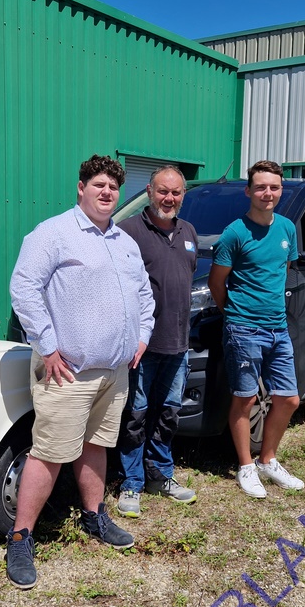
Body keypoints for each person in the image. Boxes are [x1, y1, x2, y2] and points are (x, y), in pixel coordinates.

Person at [6, 155, 155, 589]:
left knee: (97, 444)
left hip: (115, 370)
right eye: (98, 185)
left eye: (113, 187)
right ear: (81, 188)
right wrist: (47, 346)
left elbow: (144, 296)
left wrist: (141, 337)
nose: (107, 192)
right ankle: (20, 537)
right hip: (67, 372)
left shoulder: (123, 241)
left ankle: (94, 516)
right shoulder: (53, 233)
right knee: (50, 453)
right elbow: (24, 288)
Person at [207, 159, 305, 499]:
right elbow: (217, 282)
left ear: (281, 190)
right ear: (248, 191)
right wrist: (234, 314)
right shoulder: (235, 233)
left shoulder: (287, 229)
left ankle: (268, 460)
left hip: (278, 327)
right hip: (244, 329)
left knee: (289, 399)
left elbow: (282, 270)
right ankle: (246, 466)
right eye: (261, 187)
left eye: (274, 187)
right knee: (245, 398)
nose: (268, 193)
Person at [115, 166, 199, 518]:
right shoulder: (128, 231)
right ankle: (131, 482)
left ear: (183, 195)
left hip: (178, 344)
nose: (169, 198)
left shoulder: (188, 231)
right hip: (142, 346)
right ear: (149, 191)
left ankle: (160, 476)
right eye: (163, 191)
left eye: (176, 192)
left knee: (168, 414)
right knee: (135, 415)